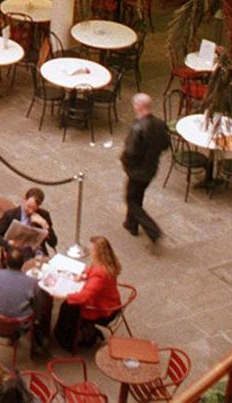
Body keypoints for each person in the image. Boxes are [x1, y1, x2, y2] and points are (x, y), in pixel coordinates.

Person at [53, 236, 122, 352]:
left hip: (102, 309)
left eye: (92, 249)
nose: (90, 251)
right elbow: (90, 270)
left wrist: (65, 296)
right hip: (111, 302)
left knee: (68, 307)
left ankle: (67, 340)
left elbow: (84, 297)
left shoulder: (100, 274)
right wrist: (83, 276)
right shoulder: (106, 264)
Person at [121, 92, 171, 243]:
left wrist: (125, 163)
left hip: (137, 171)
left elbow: (130, 151)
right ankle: (131, 224)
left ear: (138, 107)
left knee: (131, 200)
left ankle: (152, 229)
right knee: (138, 195)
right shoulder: (160, 124)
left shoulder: (138, 128)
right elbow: (165, 145)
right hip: (151, 168)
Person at [0, 247, 39, 330]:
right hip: (20, 326)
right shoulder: (32, 283)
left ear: (5, 261)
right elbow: (37, 304)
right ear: (23, 263)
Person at [0, 187, 58, 255]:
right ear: (24, 199)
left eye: (34, 209)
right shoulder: (10, 215)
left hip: (37, 251)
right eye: (28, 206)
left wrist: (45, 225)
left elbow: (53, 243)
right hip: (17, 252)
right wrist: (8, 243)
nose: (30, 211)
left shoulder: (44, 215)